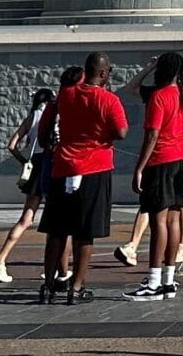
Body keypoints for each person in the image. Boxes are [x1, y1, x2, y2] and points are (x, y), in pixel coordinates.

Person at [38, 53, 127, 303]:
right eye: (109, 70)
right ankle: (76, 287)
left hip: (63, 166)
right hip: (94, 167)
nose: (110, 74)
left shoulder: (66, 95)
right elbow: (121, 131)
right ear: (101, 73)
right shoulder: (108, 99)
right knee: (85, 231)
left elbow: (48, 122)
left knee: (56, 231)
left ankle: (47, 286)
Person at [129, 52, 183, 300]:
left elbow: (152, 135)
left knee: (158, 222)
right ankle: (168, 279)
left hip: (161, 160)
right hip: (181, 159)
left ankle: (153, 282)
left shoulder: (158, 96)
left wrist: (139, 168)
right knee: (175, 220)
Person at [0, 85, 55, 285]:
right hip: (49, 165)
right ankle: (53, 266)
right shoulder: (52, 115)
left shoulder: (31, 118)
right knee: (54, 219)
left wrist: (23, 161)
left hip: (34, 166)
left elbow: (11, 145)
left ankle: (0, 259)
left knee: (26, 218)